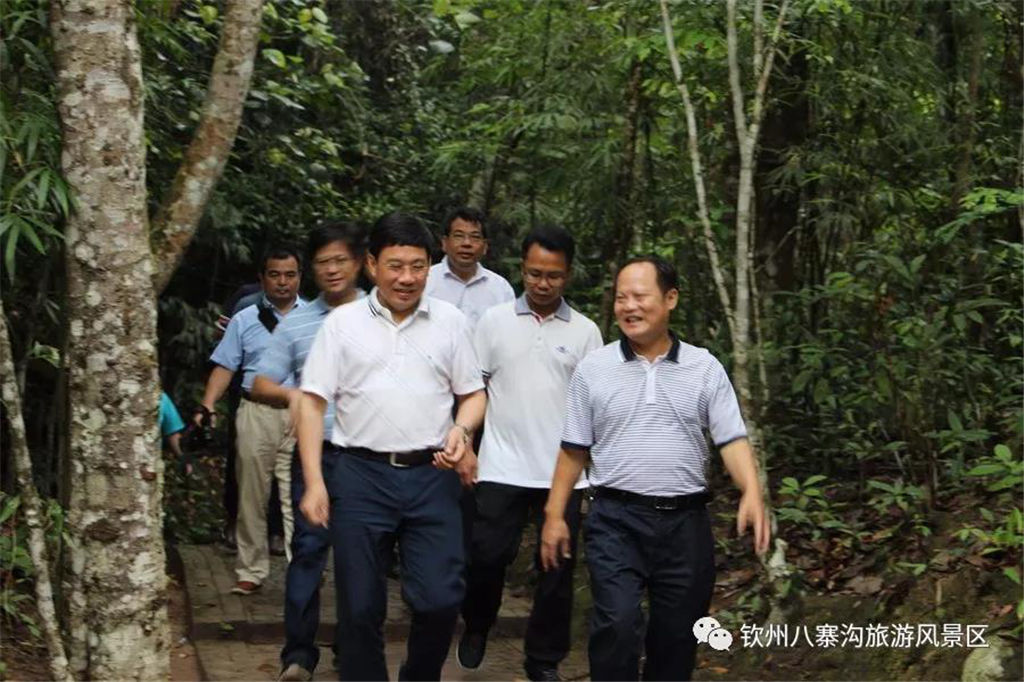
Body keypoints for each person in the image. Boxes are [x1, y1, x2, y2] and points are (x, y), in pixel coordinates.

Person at [540, 255, 770, 682]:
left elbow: (731, 439)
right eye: (621, 298)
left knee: (677, 638)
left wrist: (751, 492)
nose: (629, 306)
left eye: (640, 296)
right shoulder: (593, 370)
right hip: (615, 520)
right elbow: (573, 450)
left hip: (685, 526)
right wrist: (554, 516)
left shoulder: (704, 368)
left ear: (670, 299)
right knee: (617, 625)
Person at [296, 212, 486, 680]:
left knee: (440, 600)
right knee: (359, 608)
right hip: (359, 477)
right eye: (396, 266)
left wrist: (462, 431)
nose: (407, 278)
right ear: (372, 265)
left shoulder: (451, 322)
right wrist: (315, 483)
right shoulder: (342, 324)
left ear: (429, 266)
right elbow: (311, 403)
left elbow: (473, 394)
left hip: (432, 477)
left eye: (418, 266)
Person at [457, 225, 602, 681]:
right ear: (522, 269)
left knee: (556, 570)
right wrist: (467, 444)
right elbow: (473, 389)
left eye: (553, 275)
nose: (543, 283)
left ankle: (542, 660)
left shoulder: (586, 332)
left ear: (568, 275)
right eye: (535, 273)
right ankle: (477, 624)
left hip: (562, 473)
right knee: (486, 556)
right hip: (501, 466)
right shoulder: (493, 322)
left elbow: (594, 404)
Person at [250, 222, 366, 681]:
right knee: (308, 551)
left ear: (360, 263)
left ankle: (352, 648)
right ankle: (298, 655)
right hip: (316, 456)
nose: (332, 270)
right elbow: (259, 382)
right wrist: (293, 396)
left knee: (362, 558)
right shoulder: (297, 323)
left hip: (369, 459)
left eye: (340, 260)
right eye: (322, 262)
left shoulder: (381, 314)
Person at [194, 245, 306, 595]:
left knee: (297, 496)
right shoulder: (244, 318)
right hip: (255, 412)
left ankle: (302, 569)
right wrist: (207, 405)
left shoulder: (317, 318)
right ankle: (251, 569)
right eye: (275, 275)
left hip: (302, 415)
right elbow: (225, 365)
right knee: (251, 494)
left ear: (300, 277)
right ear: (262, 278)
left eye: (290, 275)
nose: (283, 282)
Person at [424, 206, 514, 328]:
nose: (467, 243)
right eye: (459, 236)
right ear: (444, 243)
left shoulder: (500, 288)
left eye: (475, 237)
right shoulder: (425, 281)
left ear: (485, 247)